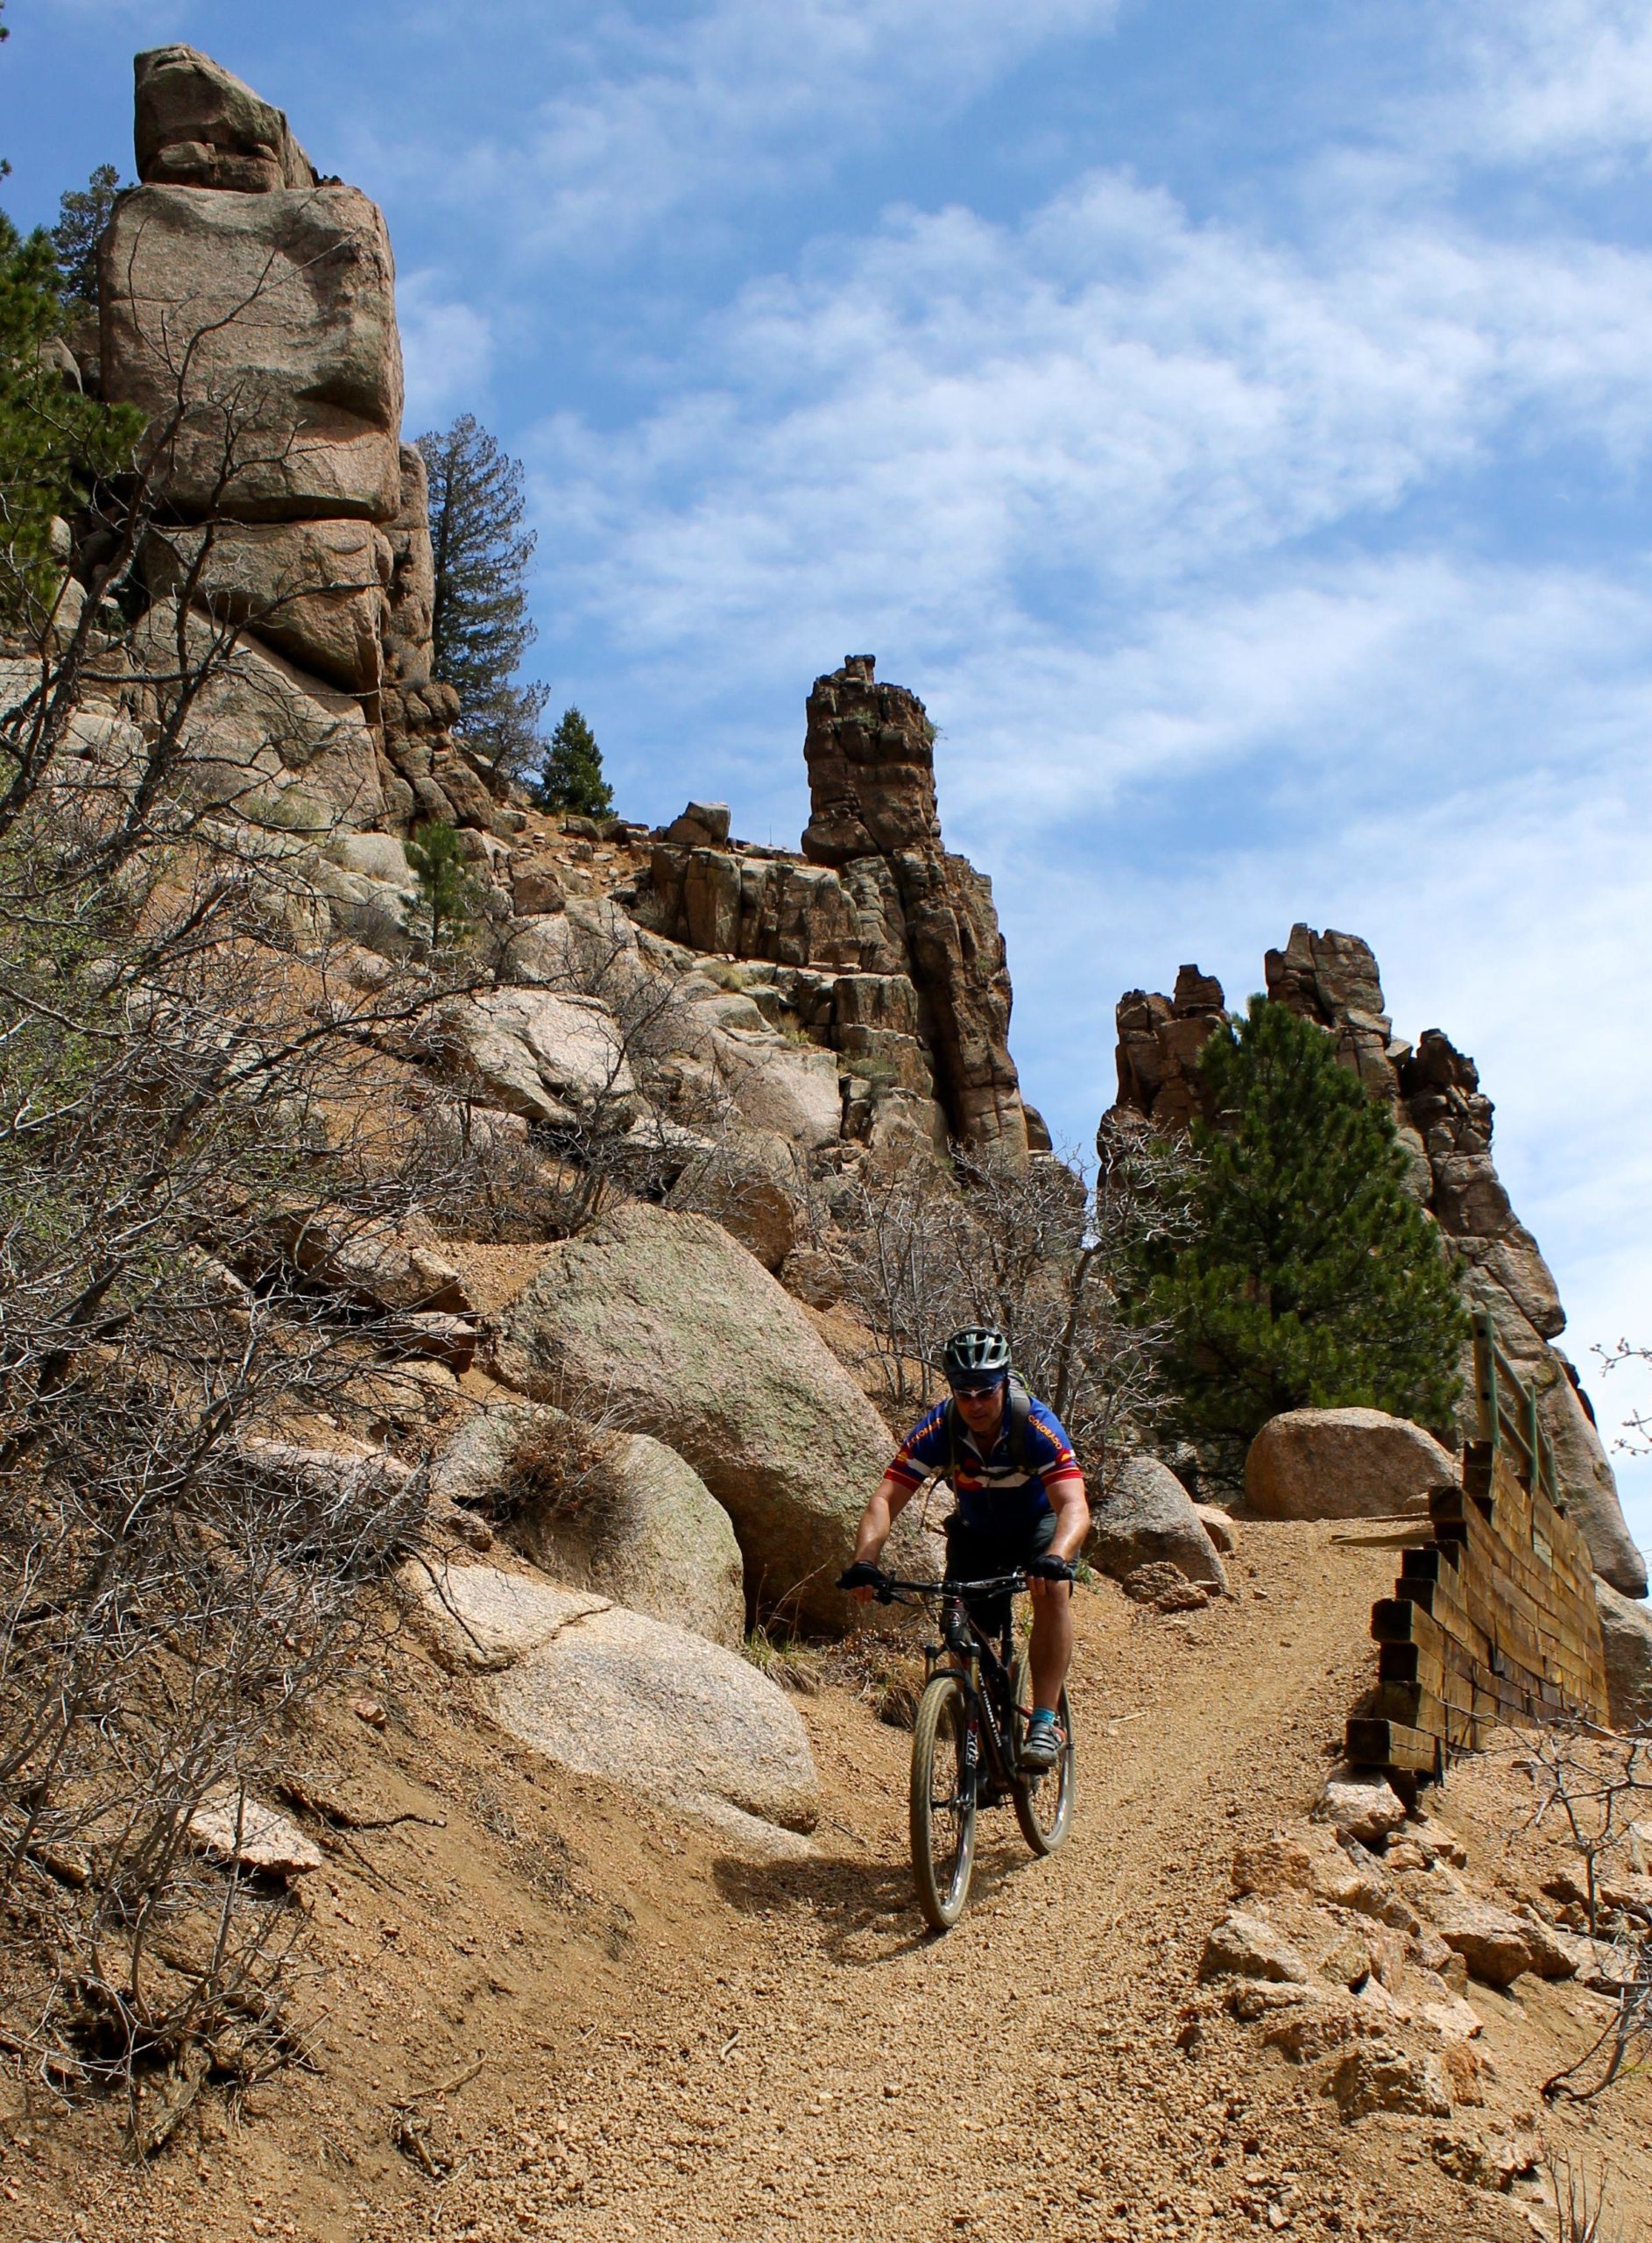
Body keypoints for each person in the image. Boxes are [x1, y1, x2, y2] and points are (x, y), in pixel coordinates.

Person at [837, 1327, 1089, 1771]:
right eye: (963, 1392)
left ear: (1005, 1382)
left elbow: (1073, 1505)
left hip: (1038, 1525)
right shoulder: (940, 1427)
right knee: (959, 1621)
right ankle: (975, 1718)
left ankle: (1045, 1720)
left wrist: (1057, 1557)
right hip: (977, 1531)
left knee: (1052, 1590)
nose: (974, 1403)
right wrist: (865, 1560)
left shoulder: (1035, 1425)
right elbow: (885, 1499)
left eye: (985, 1391)